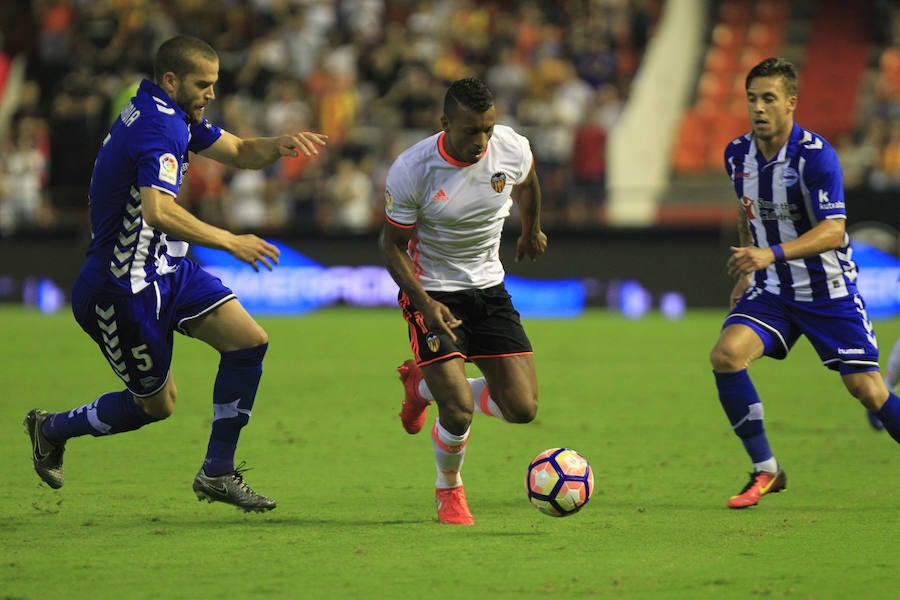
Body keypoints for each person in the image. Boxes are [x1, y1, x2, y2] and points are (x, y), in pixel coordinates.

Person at [23, 35, 327, 512]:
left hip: (165, 268)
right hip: (120, 289)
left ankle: (218, 472)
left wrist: (279, 146)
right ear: (172, 80)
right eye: (202, 84)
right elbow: (158, 211)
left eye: (214, 84)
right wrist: (232, 241)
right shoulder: (159, 128)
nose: (210, 93)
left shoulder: (169, 113)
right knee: (156, 405)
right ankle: (52, 428)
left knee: (248, 342)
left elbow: (242, 150)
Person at [710, 57, 900, 509]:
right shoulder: (737, 154)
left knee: (868, 391)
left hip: (827, 291)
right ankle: (766, 470)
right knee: (726, 355)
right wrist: (754, 269)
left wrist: (768, 253)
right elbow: (746, 209)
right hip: (773, 290)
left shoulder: (816, 156)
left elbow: (834, 230)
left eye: (769, 98)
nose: (758, 108)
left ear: (791, 103)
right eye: (752, 98)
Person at [378, 77, 547, 525]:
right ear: (445, 123)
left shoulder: (509, 146)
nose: (482, 141)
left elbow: (527, 182)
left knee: (523, 409)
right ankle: (448, 488)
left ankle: (420, 384)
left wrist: (530, 229)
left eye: (488, 129)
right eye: (472, 131)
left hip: (490, 289)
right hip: (432, 290)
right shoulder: (413, 168)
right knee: (457, 409)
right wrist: (425, 304)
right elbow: (391, 246)